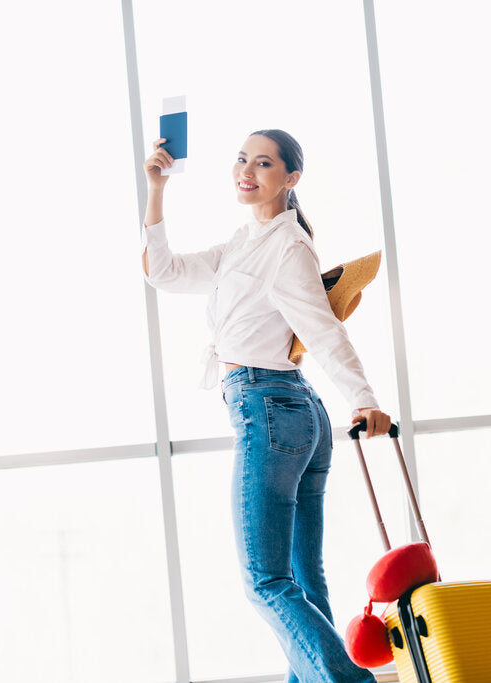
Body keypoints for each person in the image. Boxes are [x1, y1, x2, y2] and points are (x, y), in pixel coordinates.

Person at [141, 129, 391, 683]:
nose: (246, 170)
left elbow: (323, 331)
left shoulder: (287, 246)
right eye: (241, 160)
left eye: (263, 163)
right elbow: (164, 273)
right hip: (292, 411)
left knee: (266, 580)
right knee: (302, 577)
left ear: (291, 179)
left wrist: (365, 399)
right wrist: (156, 189)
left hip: (272, 408)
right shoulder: (242, 243)